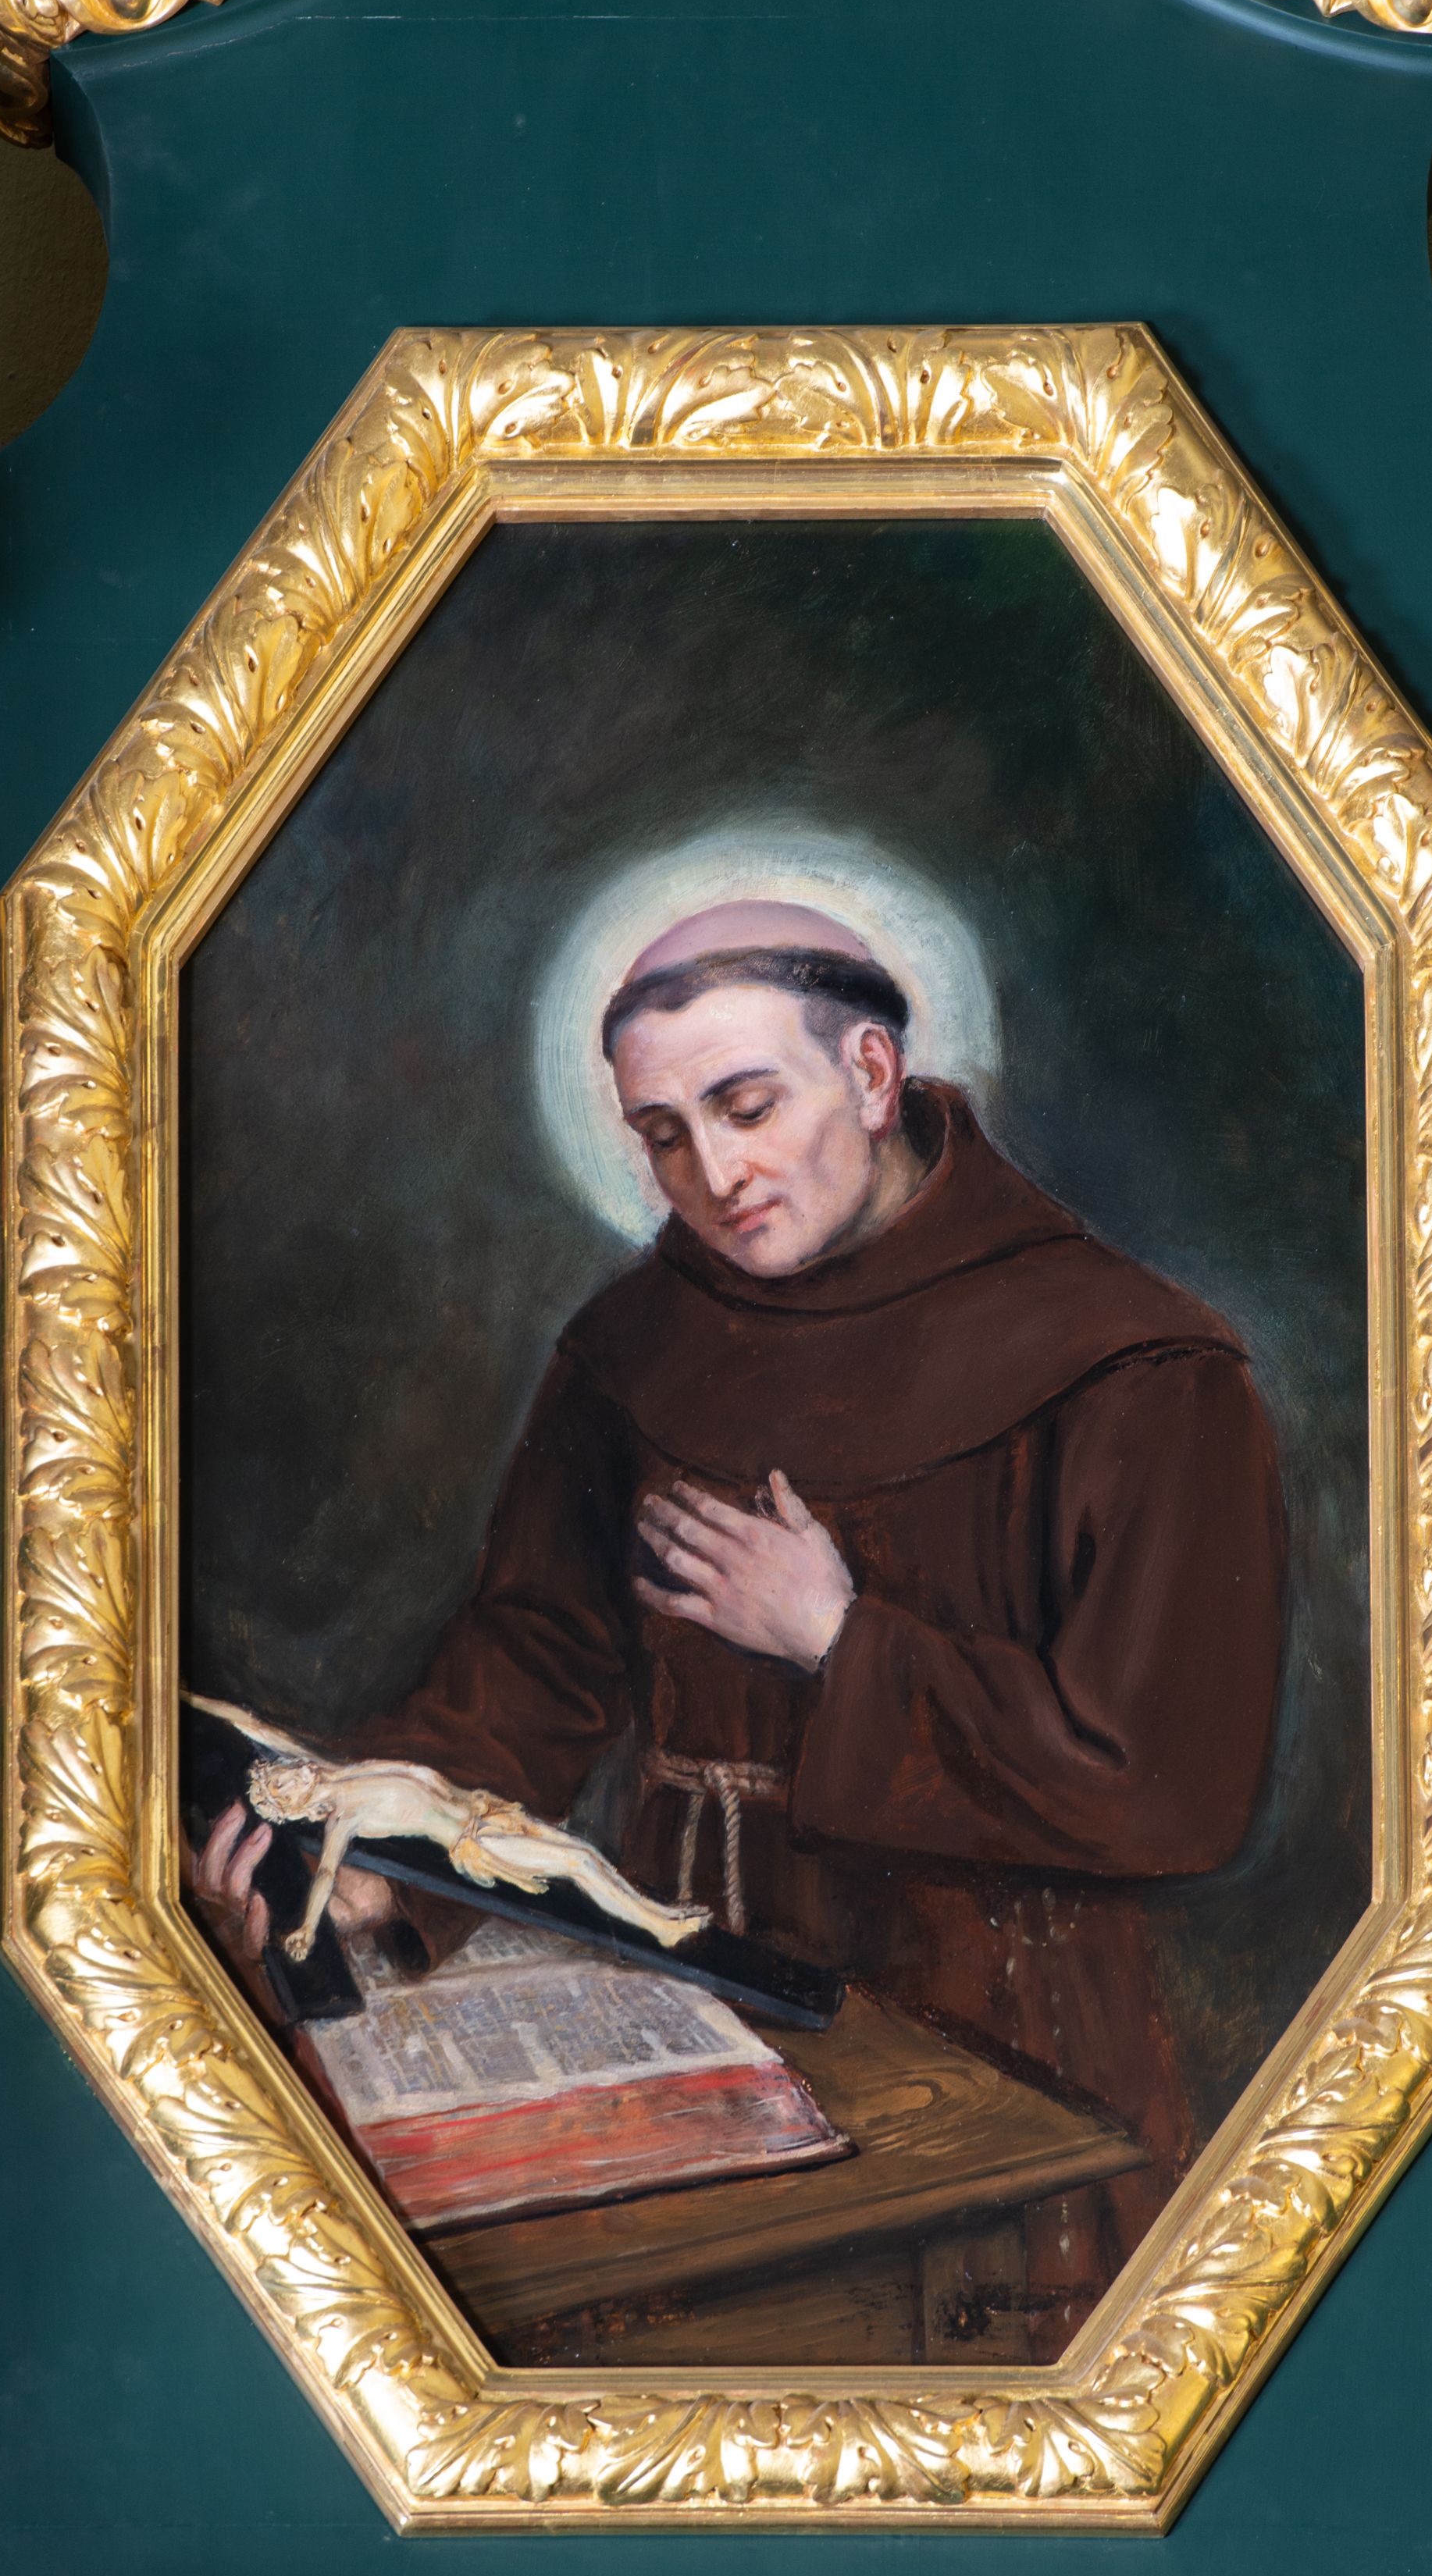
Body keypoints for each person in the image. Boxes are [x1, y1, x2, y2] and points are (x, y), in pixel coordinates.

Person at [197, 899, 1284, 2347]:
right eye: (662, 1134)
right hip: (681, 1997)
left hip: (999, 2028)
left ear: (874, 1074)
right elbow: (530, 1670)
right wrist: (377, 1853)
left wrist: (842, 1639)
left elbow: (1169, 1785)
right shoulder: (633, 1348)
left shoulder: (1136, 1366)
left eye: (747, 1106)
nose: (711, 1175)